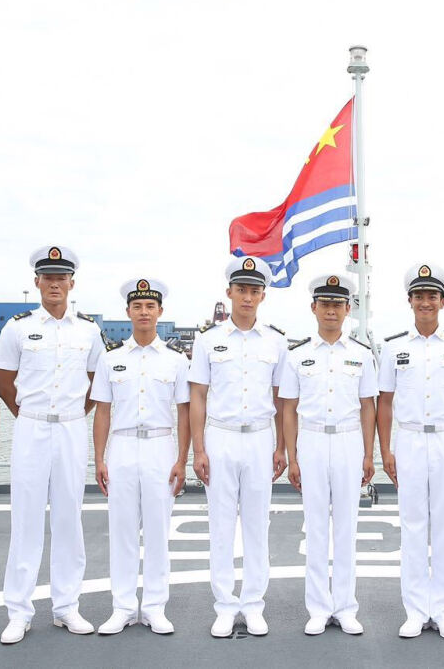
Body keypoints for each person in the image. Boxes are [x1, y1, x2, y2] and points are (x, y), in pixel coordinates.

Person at [0, 246, 104, 644]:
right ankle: (19, 611)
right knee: (24, 518)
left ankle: (66, 607)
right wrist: (28, 414)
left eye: (62, 277)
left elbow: (96, 384)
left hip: (72, 430)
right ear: (37, 282)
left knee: (68, 518)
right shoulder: (17, 328)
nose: (55, 283)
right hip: (32, 427)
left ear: (72, 283)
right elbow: (4, 382)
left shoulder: (89, 330)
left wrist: (76, 413)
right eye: (48, 277)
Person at [376, 262, 444, 641]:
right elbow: (384, 402)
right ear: (410, 301)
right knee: (412, 525)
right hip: (408, 440)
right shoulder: (393, 348)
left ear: (443, 301)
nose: (426, 302)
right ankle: (416, 610)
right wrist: (384, 450)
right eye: (419, 296)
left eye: (432, 296)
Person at [188, 255, 288, 638]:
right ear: (228, 293)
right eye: (241, 289)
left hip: (261, 437)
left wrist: (281, 447)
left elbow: (281, 399)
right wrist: (198, 449)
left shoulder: (277, 342)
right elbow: (198, 395)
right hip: (221, 436)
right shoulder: (208, 340)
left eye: (254, 291)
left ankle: (253, 604)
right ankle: (225, 605)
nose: (247, 297)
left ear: (263, 296)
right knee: (221, 525)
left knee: (257, 524)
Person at [91, 278, 191, 636]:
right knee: (122, 530)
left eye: (151, 306)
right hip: (121, 446)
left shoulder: (177, 361)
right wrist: (99, 458)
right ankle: (122, 606)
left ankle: (154, 607)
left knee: (158, 529)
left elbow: (184, 413)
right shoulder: (111, 358)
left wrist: (183, 459)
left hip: (160, 447)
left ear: (160, 312)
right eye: (138, 306)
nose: (144, 312)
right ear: (128, 312)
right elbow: (102, 411)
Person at [279, 274, 377, 636]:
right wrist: (292, 457)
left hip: (350, 441)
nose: (331, 310)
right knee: (316, 526)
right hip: (313, 441)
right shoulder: (298, 355)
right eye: (325, 303)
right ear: (313, 308)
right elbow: (288, 408)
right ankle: (319, 607)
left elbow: (368, 407)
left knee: (347, 526)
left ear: (348, 309)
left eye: (338, 304)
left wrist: (370, 454)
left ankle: (346, 606)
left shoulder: (361, 355)